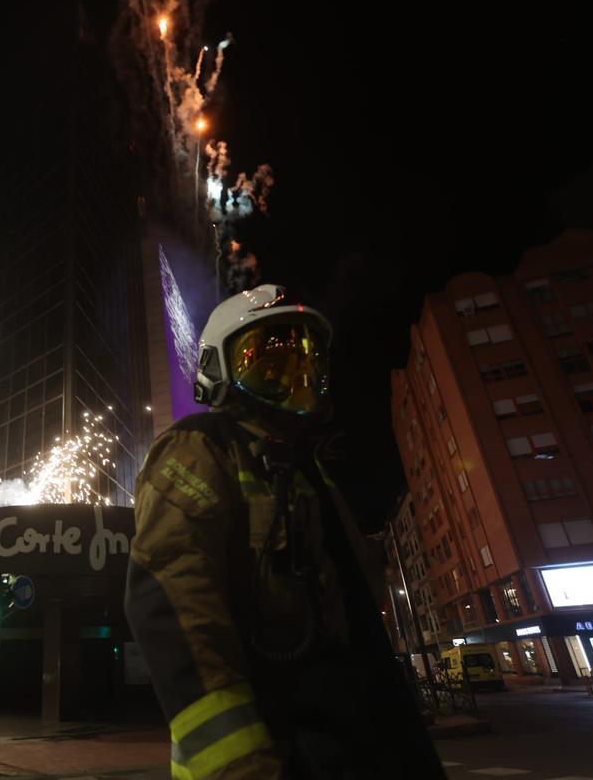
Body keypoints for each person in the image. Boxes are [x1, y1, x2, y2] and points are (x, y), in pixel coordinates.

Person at [125, 285, 444, 779]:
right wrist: (242, 765)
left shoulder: (312, 476)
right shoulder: (200, 448)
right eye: (266, 361)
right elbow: (172, 601)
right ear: (218, 369)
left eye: (305, 359)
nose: (292, 373)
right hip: (270, 754)